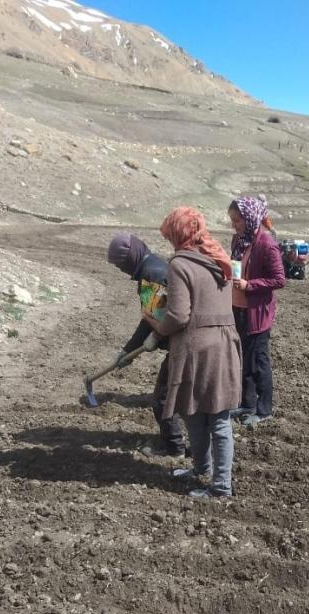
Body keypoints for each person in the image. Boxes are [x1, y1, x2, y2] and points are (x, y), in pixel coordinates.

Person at [145, 207, 241, 498]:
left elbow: (178, 315)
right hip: (225, 345)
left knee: (211, 418)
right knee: (200, 413)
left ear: (178, 233)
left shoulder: (180, 265)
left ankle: (221, 486)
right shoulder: (219, 257)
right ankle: (201, 469)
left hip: (198, 348)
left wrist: (156, 326)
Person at [107, 234, 186, 457]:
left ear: (130, 258)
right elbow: (151, 316)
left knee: (163, 400)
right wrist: (128, 350)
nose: (120, 270)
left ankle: (174, 448)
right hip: (182, 342)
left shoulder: (152, 274)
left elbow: (158, 319)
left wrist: (148, 340)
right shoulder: (152, 266)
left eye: (120, 264)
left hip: (181, 345)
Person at [229, 196, 286, 426]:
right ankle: (247, 403)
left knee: (259, 361)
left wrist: (249, 285)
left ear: (250, 218)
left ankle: (264, 409)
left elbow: (279, 280)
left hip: (257, 312)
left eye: (237, 220)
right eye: (232, 220)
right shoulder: (239, 240)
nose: (234, 225)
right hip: (239, 308)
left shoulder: (266, 243)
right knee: (244, 358)